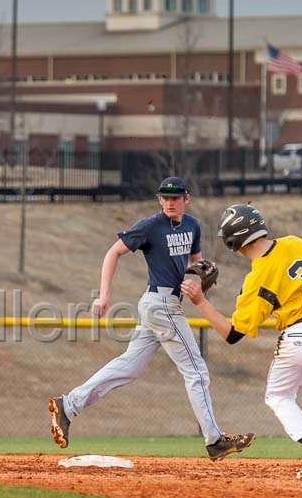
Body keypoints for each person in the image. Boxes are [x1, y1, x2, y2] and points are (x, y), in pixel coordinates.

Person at [48, 177, 255, 461]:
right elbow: (113, 252)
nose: (170, 202)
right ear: (159, 200)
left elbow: (194, 267)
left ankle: (68, 405)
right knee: (196, 372)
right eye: (165, 198)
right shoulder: (150, 226)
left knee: (128, 367)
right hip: (160, 304)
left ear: (186, 199)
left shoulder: (192, 226)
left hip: (166, 304)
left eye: (175, 197)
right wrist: (104, 295)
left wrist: (205, 272)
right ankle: (215, 440)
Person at [180, 203, 302, 479]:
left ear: (232, 241)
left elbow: (232, 334)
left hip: (299, 336)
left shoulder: (258, 277)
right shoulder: (297, 243)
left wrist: (200, 301)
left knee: (278, 395)